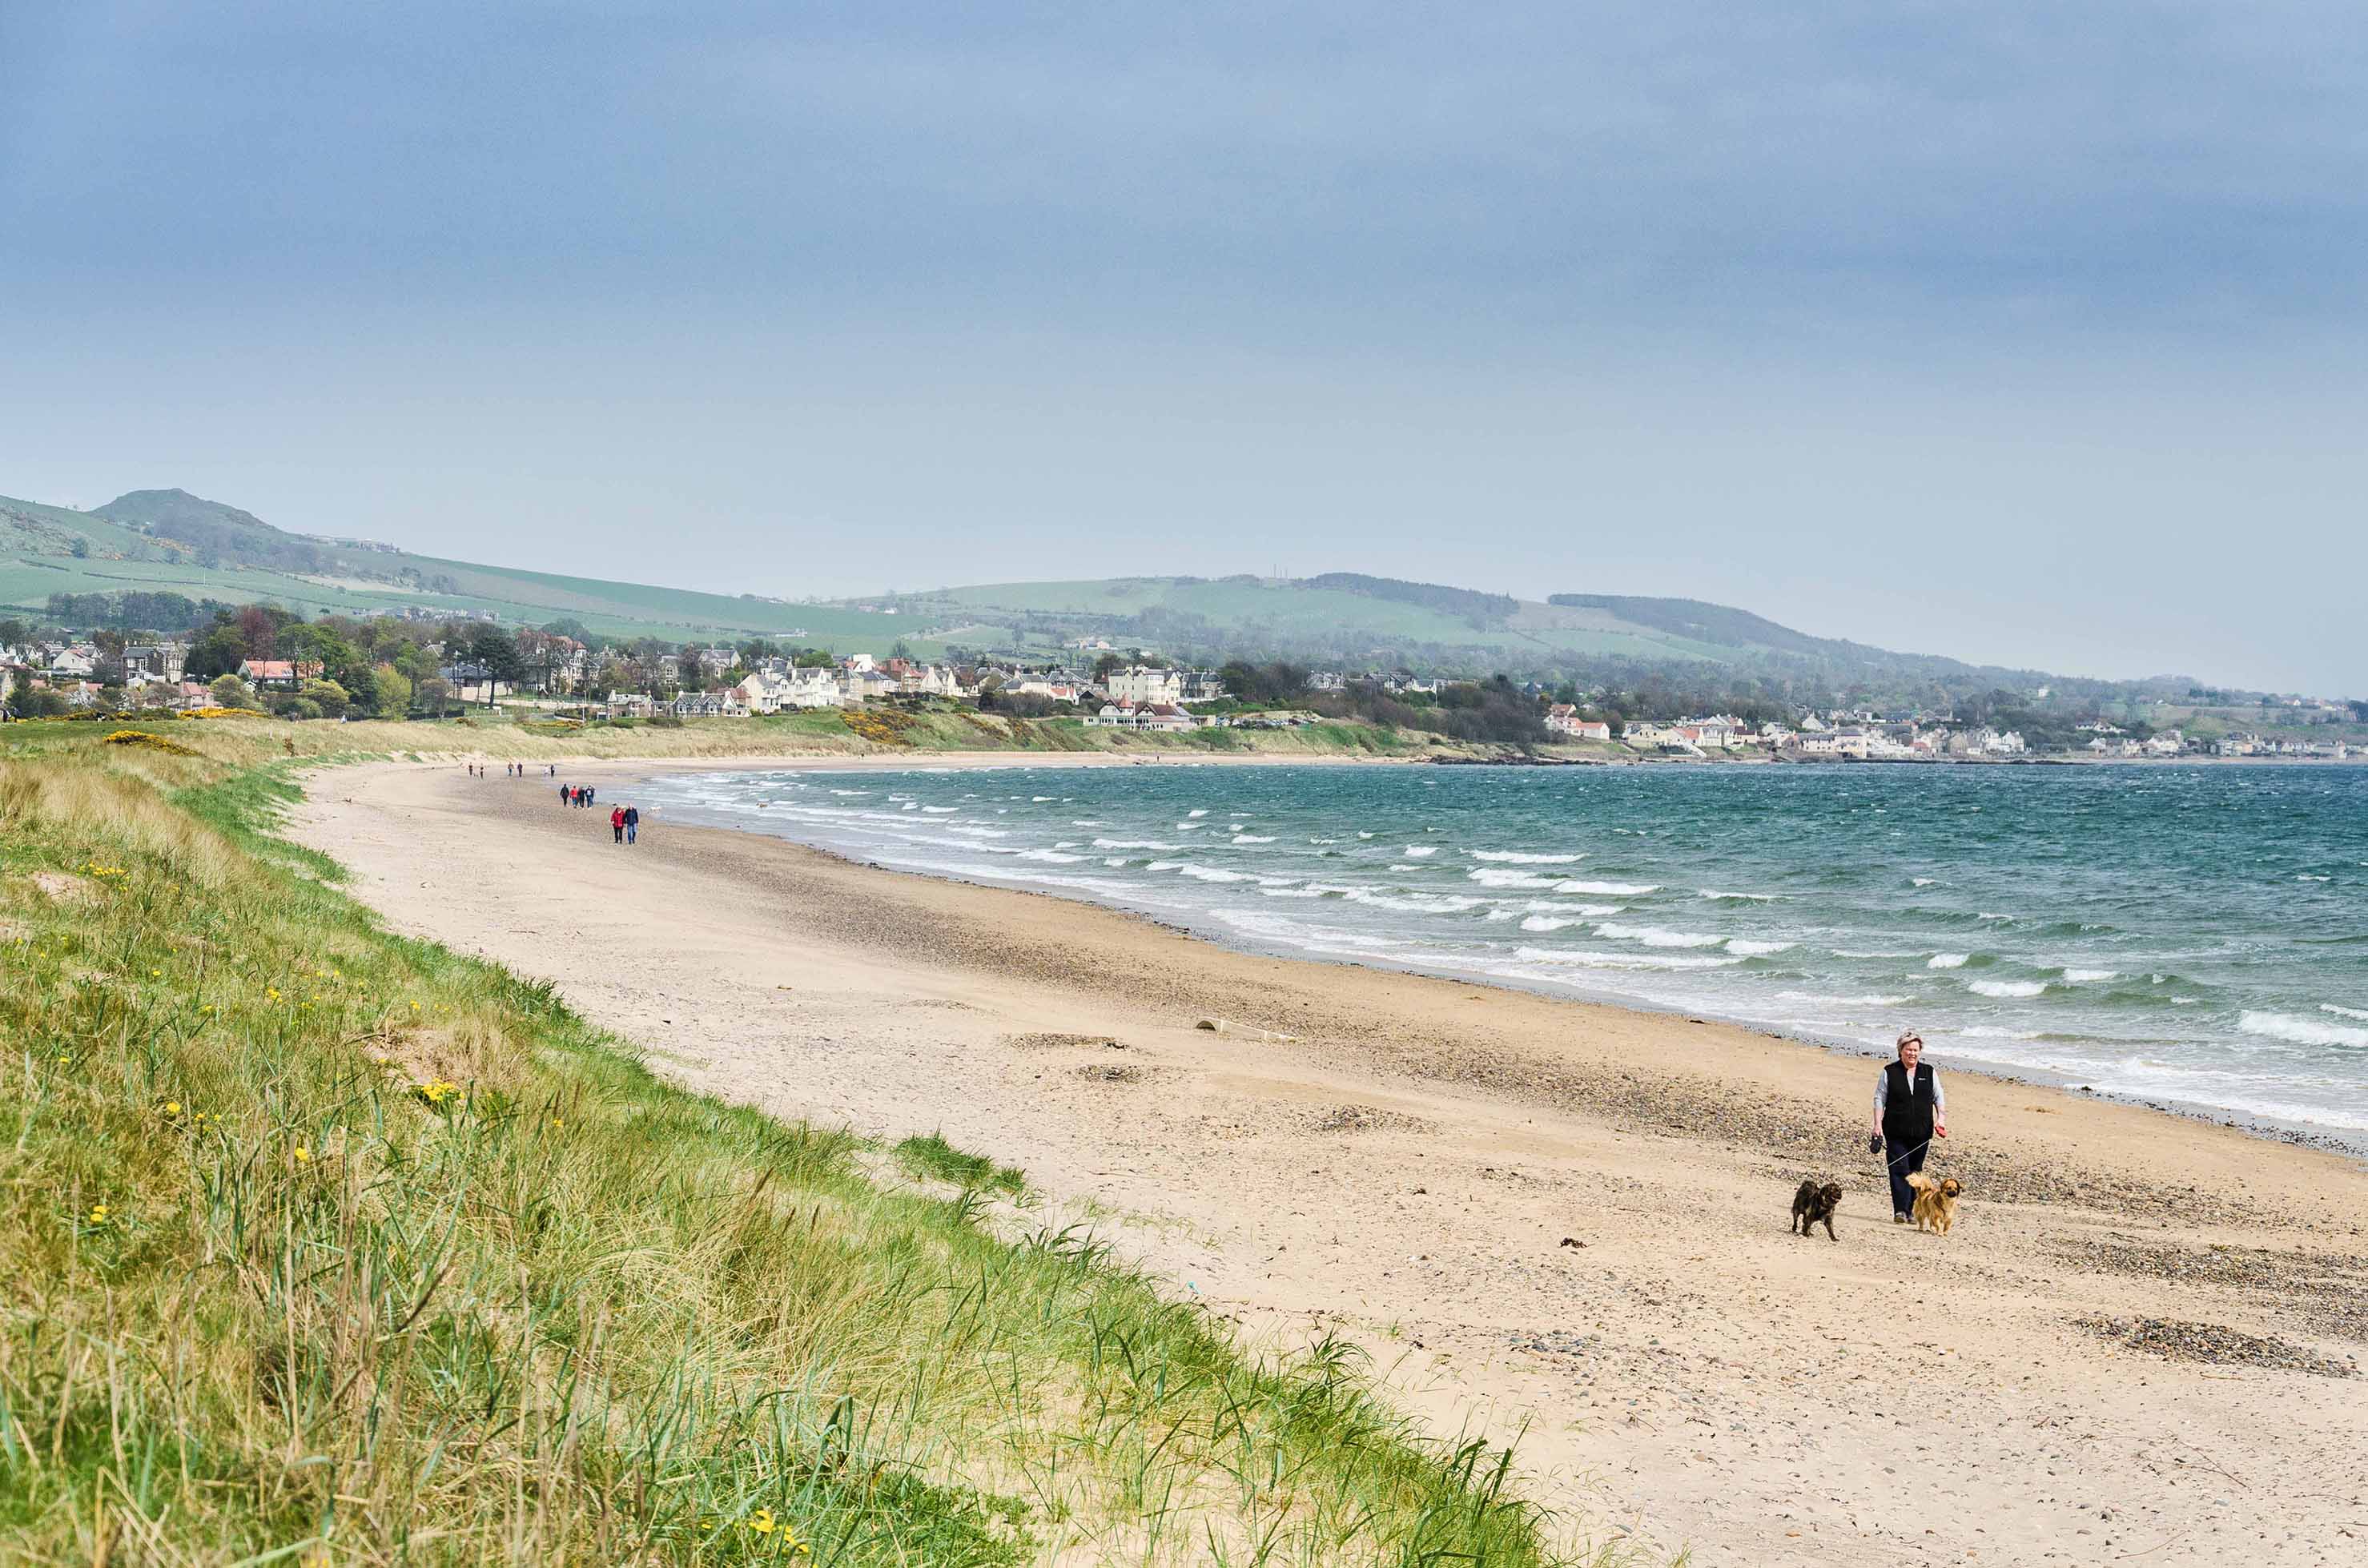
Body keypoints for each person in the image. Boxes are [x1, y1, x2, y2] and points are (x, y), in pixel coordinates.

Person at [1871, 1030, 1946, 1224]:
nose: (1912, 1053)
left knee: (1916, 1171)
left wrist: (1941, 1119)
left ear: (1920, 1051)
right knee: (1899, 1168)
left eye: (1915, 1050)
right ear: (1900, 1050)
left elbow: (1938, 1096)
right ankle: (1900, 1211)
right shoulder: (1890, 1071)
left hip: (1922, 1132)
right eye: (1908, 1050)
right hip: (1895, 1131)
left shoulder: (1929, 1072)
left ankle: (1914, 1211)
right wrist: (1877, 1125)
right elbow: (1880, 1098)